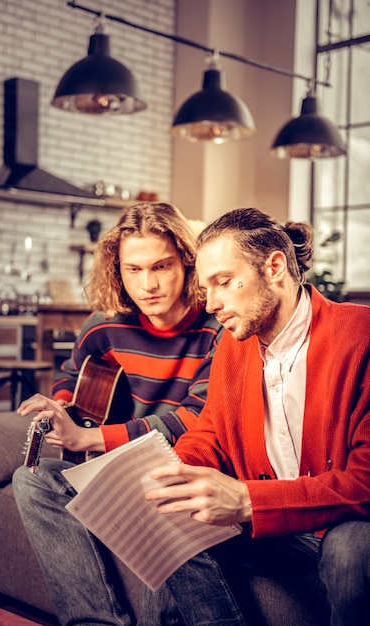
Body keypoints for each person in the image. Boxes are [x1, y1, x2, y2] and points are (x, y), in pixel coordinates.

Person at [142, 207, 370, 626]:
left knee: (351, 546)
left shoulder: (362, 334)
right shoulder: (233, 346)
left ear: (275, 266)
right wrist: (169, 476)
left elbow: (365, 481)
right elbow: (210, 432)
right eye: (205, 288)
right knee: (172, 524)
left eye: (223, 282)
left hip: (342, 524)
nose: (212, 304)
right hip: (278, 533)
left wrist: (247, 500)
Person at [12, 201, 224, 626]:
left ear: (187, 262)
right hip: (111, 470)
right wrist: (60, 407)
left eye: (161, 267)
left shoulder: (217, 328)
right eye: (133, 270)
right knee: (32, 483)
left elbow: (195, 418)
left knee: (169, 496)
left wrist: (90, 438)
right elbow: (72, 375)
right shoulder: (103, 326)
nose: (147, 285)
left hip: (177, 470)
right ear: (118, 270)